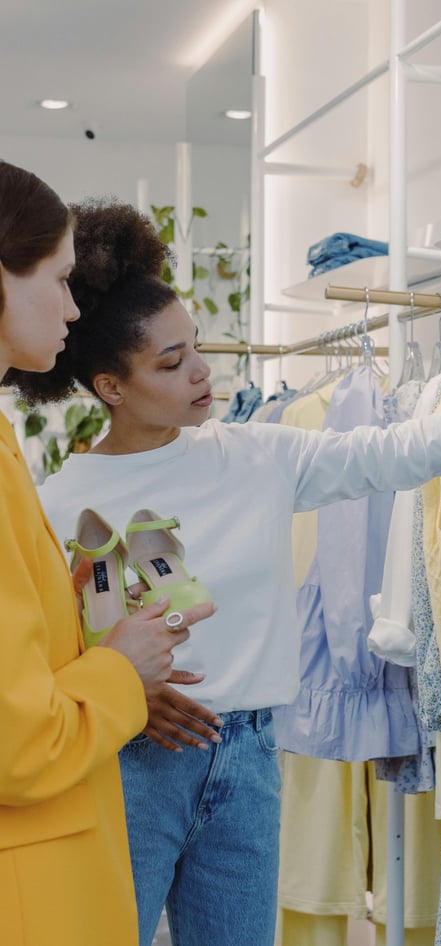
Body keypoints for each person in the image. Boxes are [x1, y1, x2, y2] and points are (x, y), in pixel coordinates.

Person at [20, 196, 441, 946]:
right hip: (129, 763)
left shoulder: (258, 457)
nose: (204, 373)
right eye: (172, 363)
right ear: (111, 387)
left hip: (251, 760)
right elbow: (44, 653)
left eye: (198, 347)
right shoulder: (58, 502)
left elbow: (400, 450)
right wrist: (123, 685)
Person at [0, 164, 216, 946]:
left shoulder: (6, 443)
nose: (69, 307)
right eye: (57, 281)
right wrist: (123, 667)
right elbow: (19, 742)